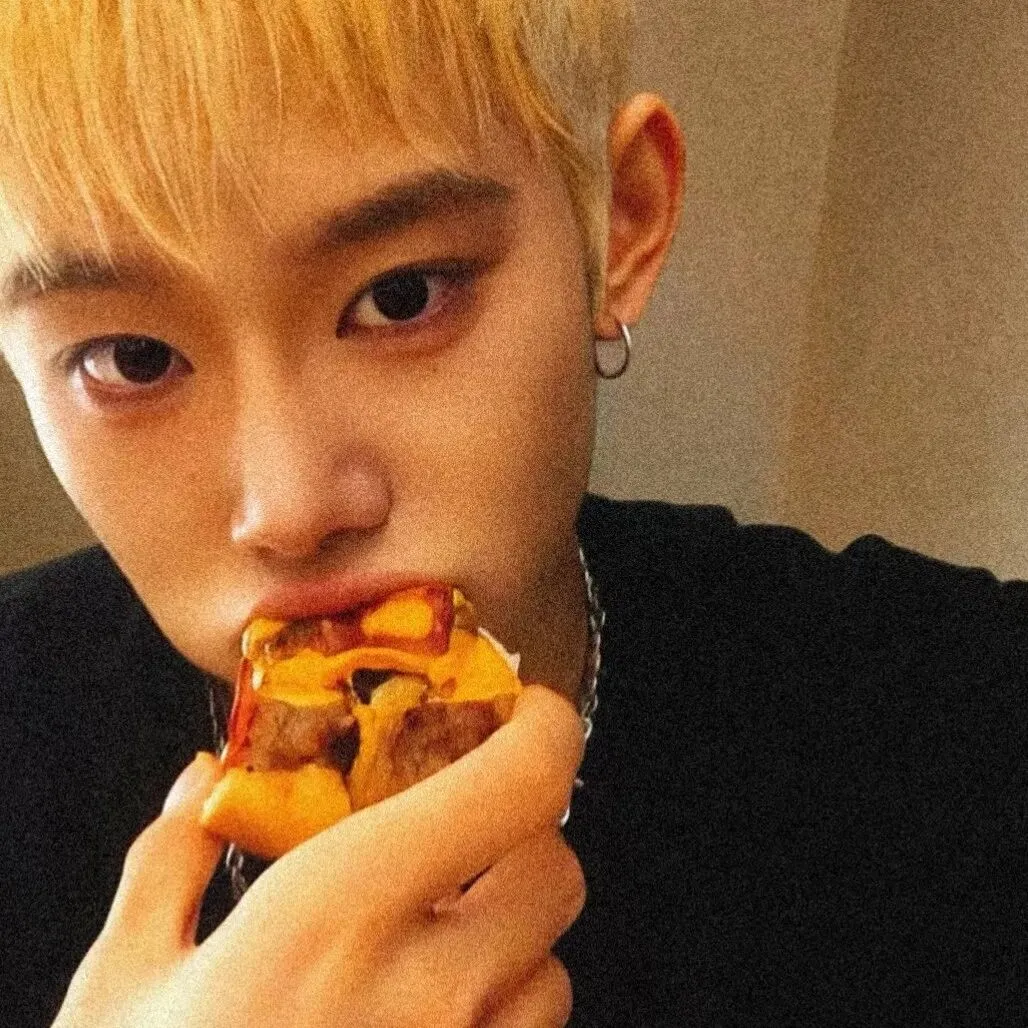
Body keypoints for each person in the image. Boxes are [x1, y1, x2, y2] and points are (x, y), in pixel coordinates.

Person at [2, 2, 1027, 1026]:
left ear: (617, 223)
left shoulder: (957, 733)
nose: (293, 507)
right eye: (131, 358)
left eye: (403, 296)